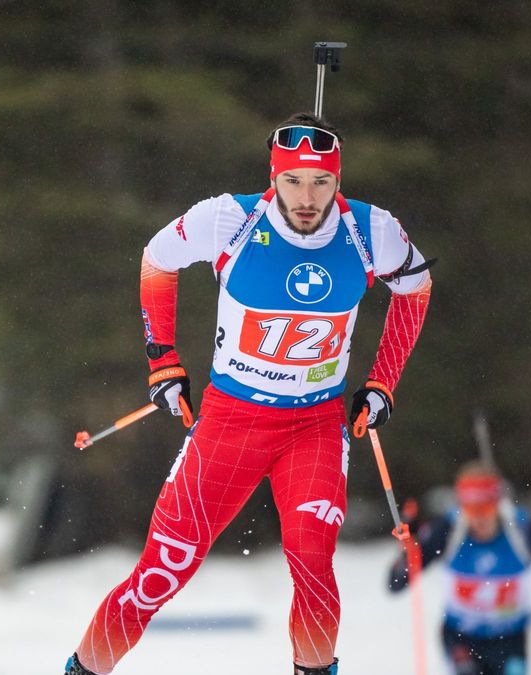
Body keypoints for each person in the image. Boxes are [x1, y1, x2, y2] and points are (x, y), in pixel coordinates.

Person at [63, 112, 434, 675]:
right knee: (161, 573)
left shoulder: (370, 231)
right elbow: (157, 261)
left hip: (313, 426)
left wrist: (382, 383)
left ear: (339, 180)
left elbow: (415, 288)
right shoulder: (229, 220)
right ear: (274, 176)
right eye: (293, 181)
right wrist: (163, 362)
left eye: (322, 183)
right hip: (230, 423)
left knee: (312, 560)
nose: (307, 198)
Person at [387, 461, 531, 675]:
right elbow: (395, 583)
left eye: (485, 507)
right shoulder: (447, 530)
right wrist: (409, 549)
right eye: (471, 509)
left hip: (510, 640)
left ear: (498, 502)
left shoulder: (523, 529)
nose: (479, 517)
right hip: (461, 639)